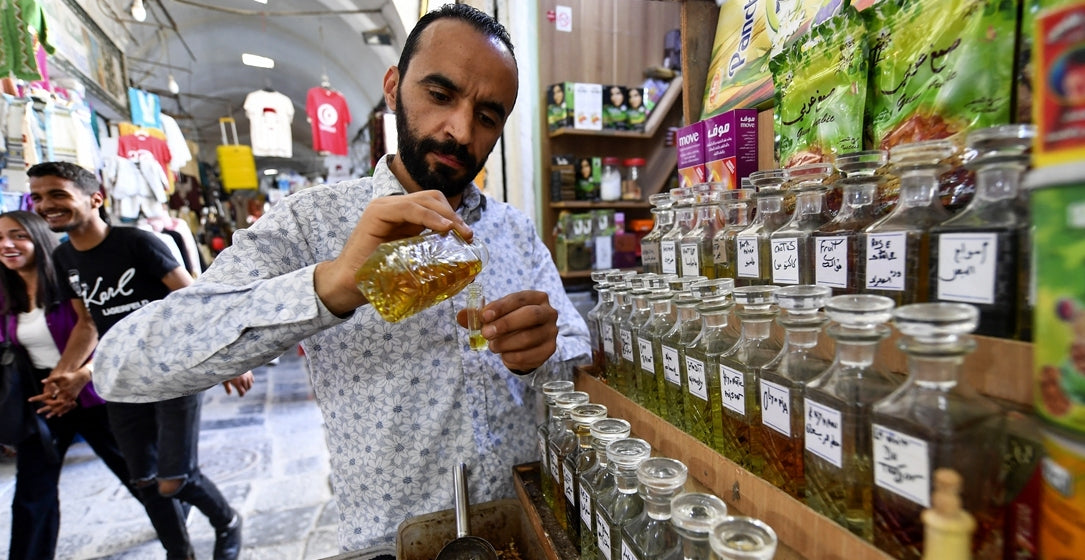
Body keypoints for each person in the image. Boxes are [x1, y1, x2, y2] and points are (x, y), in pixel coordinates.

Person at [91, 3, 591, 554]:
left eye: (488, 116)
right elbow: (121, 366)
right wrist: (329, 286)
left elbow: (577, 356)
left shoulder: (515, 231)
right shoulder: (312, 223)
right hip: (390, 542)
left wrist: (542, 355)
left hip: (521, 528)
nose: (459, 130)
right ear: (394, 87)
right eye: (440, 95)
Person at [25, 161, 254, 560]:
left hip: (173, 372)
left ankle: (227, 521)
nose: (46, 205)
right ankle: (178, 553)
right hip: (121, 379)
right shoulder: (64, 258)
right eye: (38, 197)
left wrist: (229, 358)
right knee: (145, 481)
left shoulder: (138, 243)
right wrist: (62, 374)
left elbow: (196, 301)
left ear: (96, 198)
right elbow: (87, 324)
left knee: (174, 479)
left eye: (57, 194)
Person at [0, 210, 134, 559]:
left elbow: (104, 330)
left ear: (38, 239)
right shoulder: (5, 293)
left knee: (137, 474)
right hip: (44, 400)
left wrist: (80, 375)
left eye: (18, 236)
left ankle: (177, 531)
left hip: (93, 392)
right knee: (32, 492)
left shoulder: (71, 282)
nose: (7, 245)